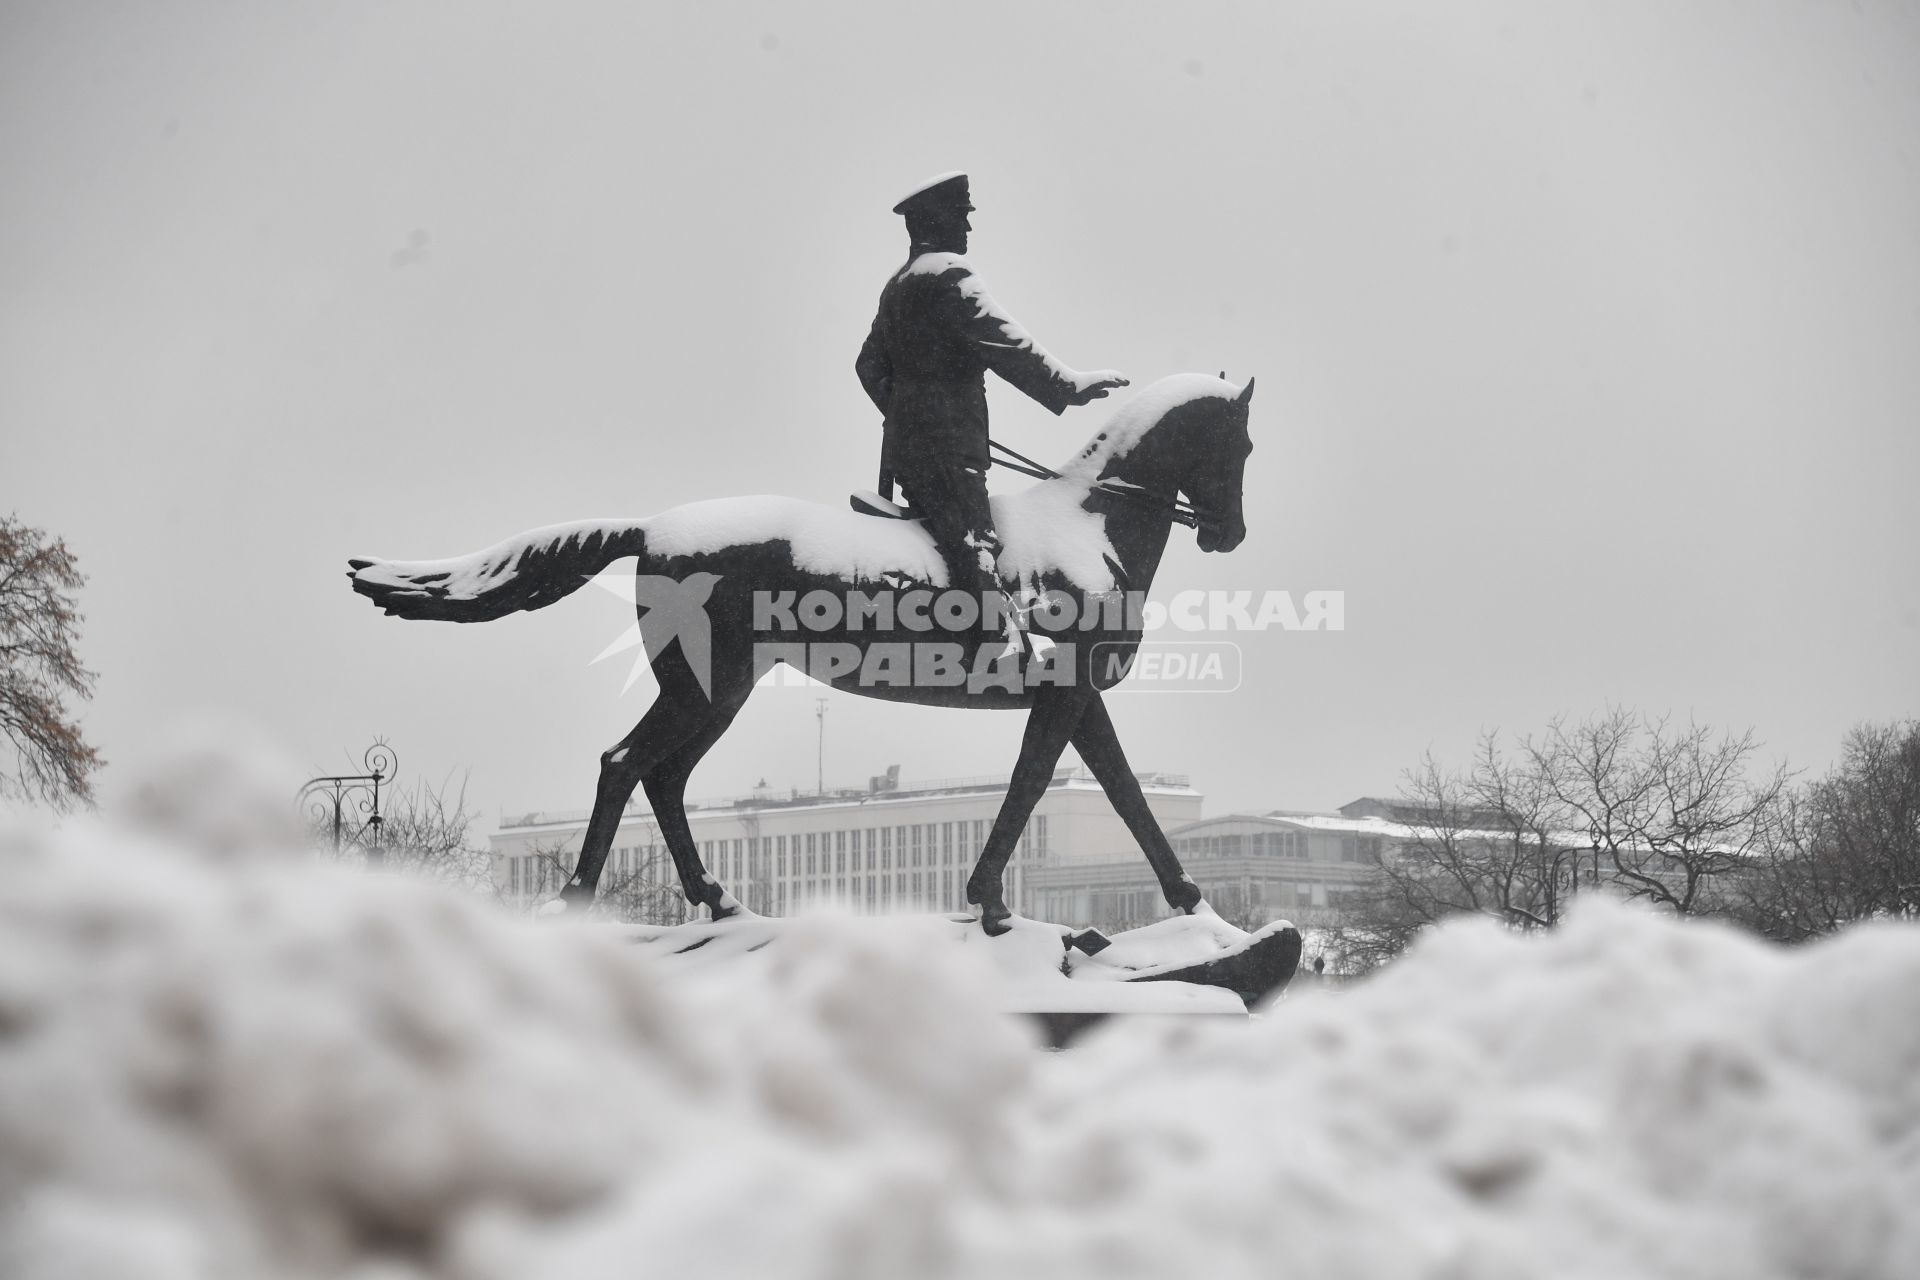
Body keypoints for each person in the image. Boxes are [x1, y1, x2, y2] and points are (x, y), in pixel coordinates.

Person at [855, 172, 1128, 655]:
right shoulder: (948, 275)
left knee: (949, 536)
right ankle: (994, 648)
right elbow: (1004, 344)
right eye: (962, 216)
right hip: (949, 447)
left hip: (912, 449)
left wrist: (905, 413)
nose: (968, 228)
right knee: (974, 541)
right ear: (938, 219)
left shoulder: (898, 285)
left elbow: (867, 365)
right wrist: (1069, 386)